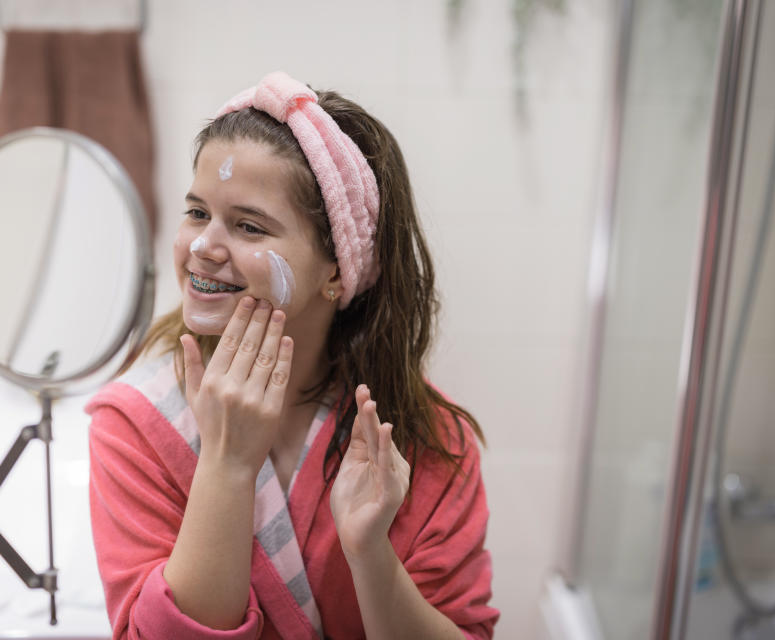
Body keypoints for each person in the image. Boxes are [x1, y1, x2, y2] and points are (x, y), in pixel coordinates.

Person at [86, 71, 500, 639]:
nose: (203, 248)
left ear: (336, 269)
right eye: (197, 212)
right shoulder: (135, 424)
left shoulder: (428, 444)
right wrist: (226, 469)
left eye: (248, 226)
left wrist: (370, 554)